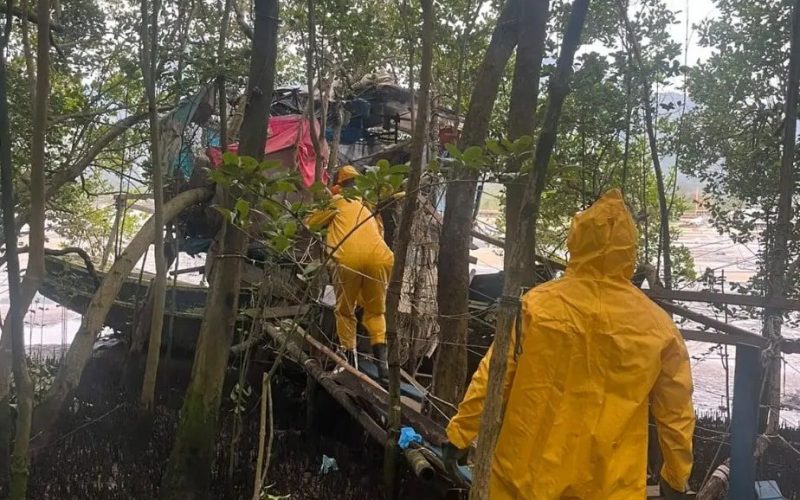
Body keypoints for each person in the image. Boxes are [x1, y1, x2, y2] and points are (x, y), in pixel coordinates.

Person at [443, 189, 695, 499]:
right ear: (629, 249)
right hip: (608, 484)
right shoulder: (658, 326)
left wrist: (460, 435)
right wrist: (676, 475)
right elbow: (676, 411)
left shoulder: (536, 306)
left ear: (577, 240)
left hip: (526, 478)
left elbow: (493, 375)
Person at [306, 165, 393, 378]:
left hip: (349, 259)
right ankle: (383, 366)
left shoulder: (337, 201)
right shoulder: (367, 206)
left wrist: (323, 205)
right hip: (381, 257)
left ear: (338, 185)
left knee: (345, 310)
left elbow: (310, 223)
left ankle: (348, 362)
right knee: (375, 312)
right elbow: (380, 232)